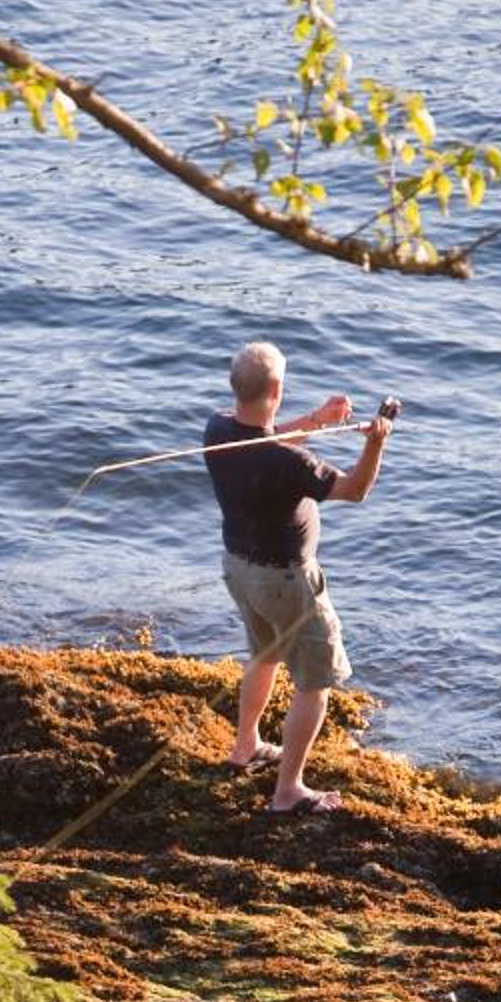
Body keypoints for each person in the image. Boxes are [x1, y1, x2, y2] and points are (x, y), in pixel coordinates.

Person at [204, 338, 396, 814]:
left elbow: (263, 439)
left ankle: (246, 746)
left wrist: (314, 422)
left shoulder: (218, 428)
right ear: (275, 387)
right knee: (315, 682)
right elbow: (355, 489)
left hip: (239, 569)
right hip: (287, 581)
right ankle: (288, 790)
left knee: (264, 656)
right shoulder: (291, 464)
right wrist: (375, 442)